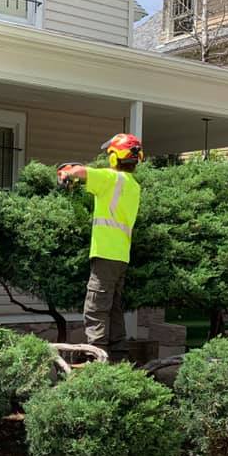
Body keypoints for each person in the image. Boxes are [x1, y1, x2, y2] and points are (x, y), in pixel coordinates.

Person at [57, 133, 144, 361]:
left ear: (115, 158)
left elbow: (79, 172)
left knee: (96, 309)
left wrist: (66, 172)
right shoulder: (133, 186)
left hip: (105, 254)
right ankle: (118, 358)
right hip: (120, 256)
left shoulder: (110, 179)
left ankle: (96, 361)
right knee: (113, 309)